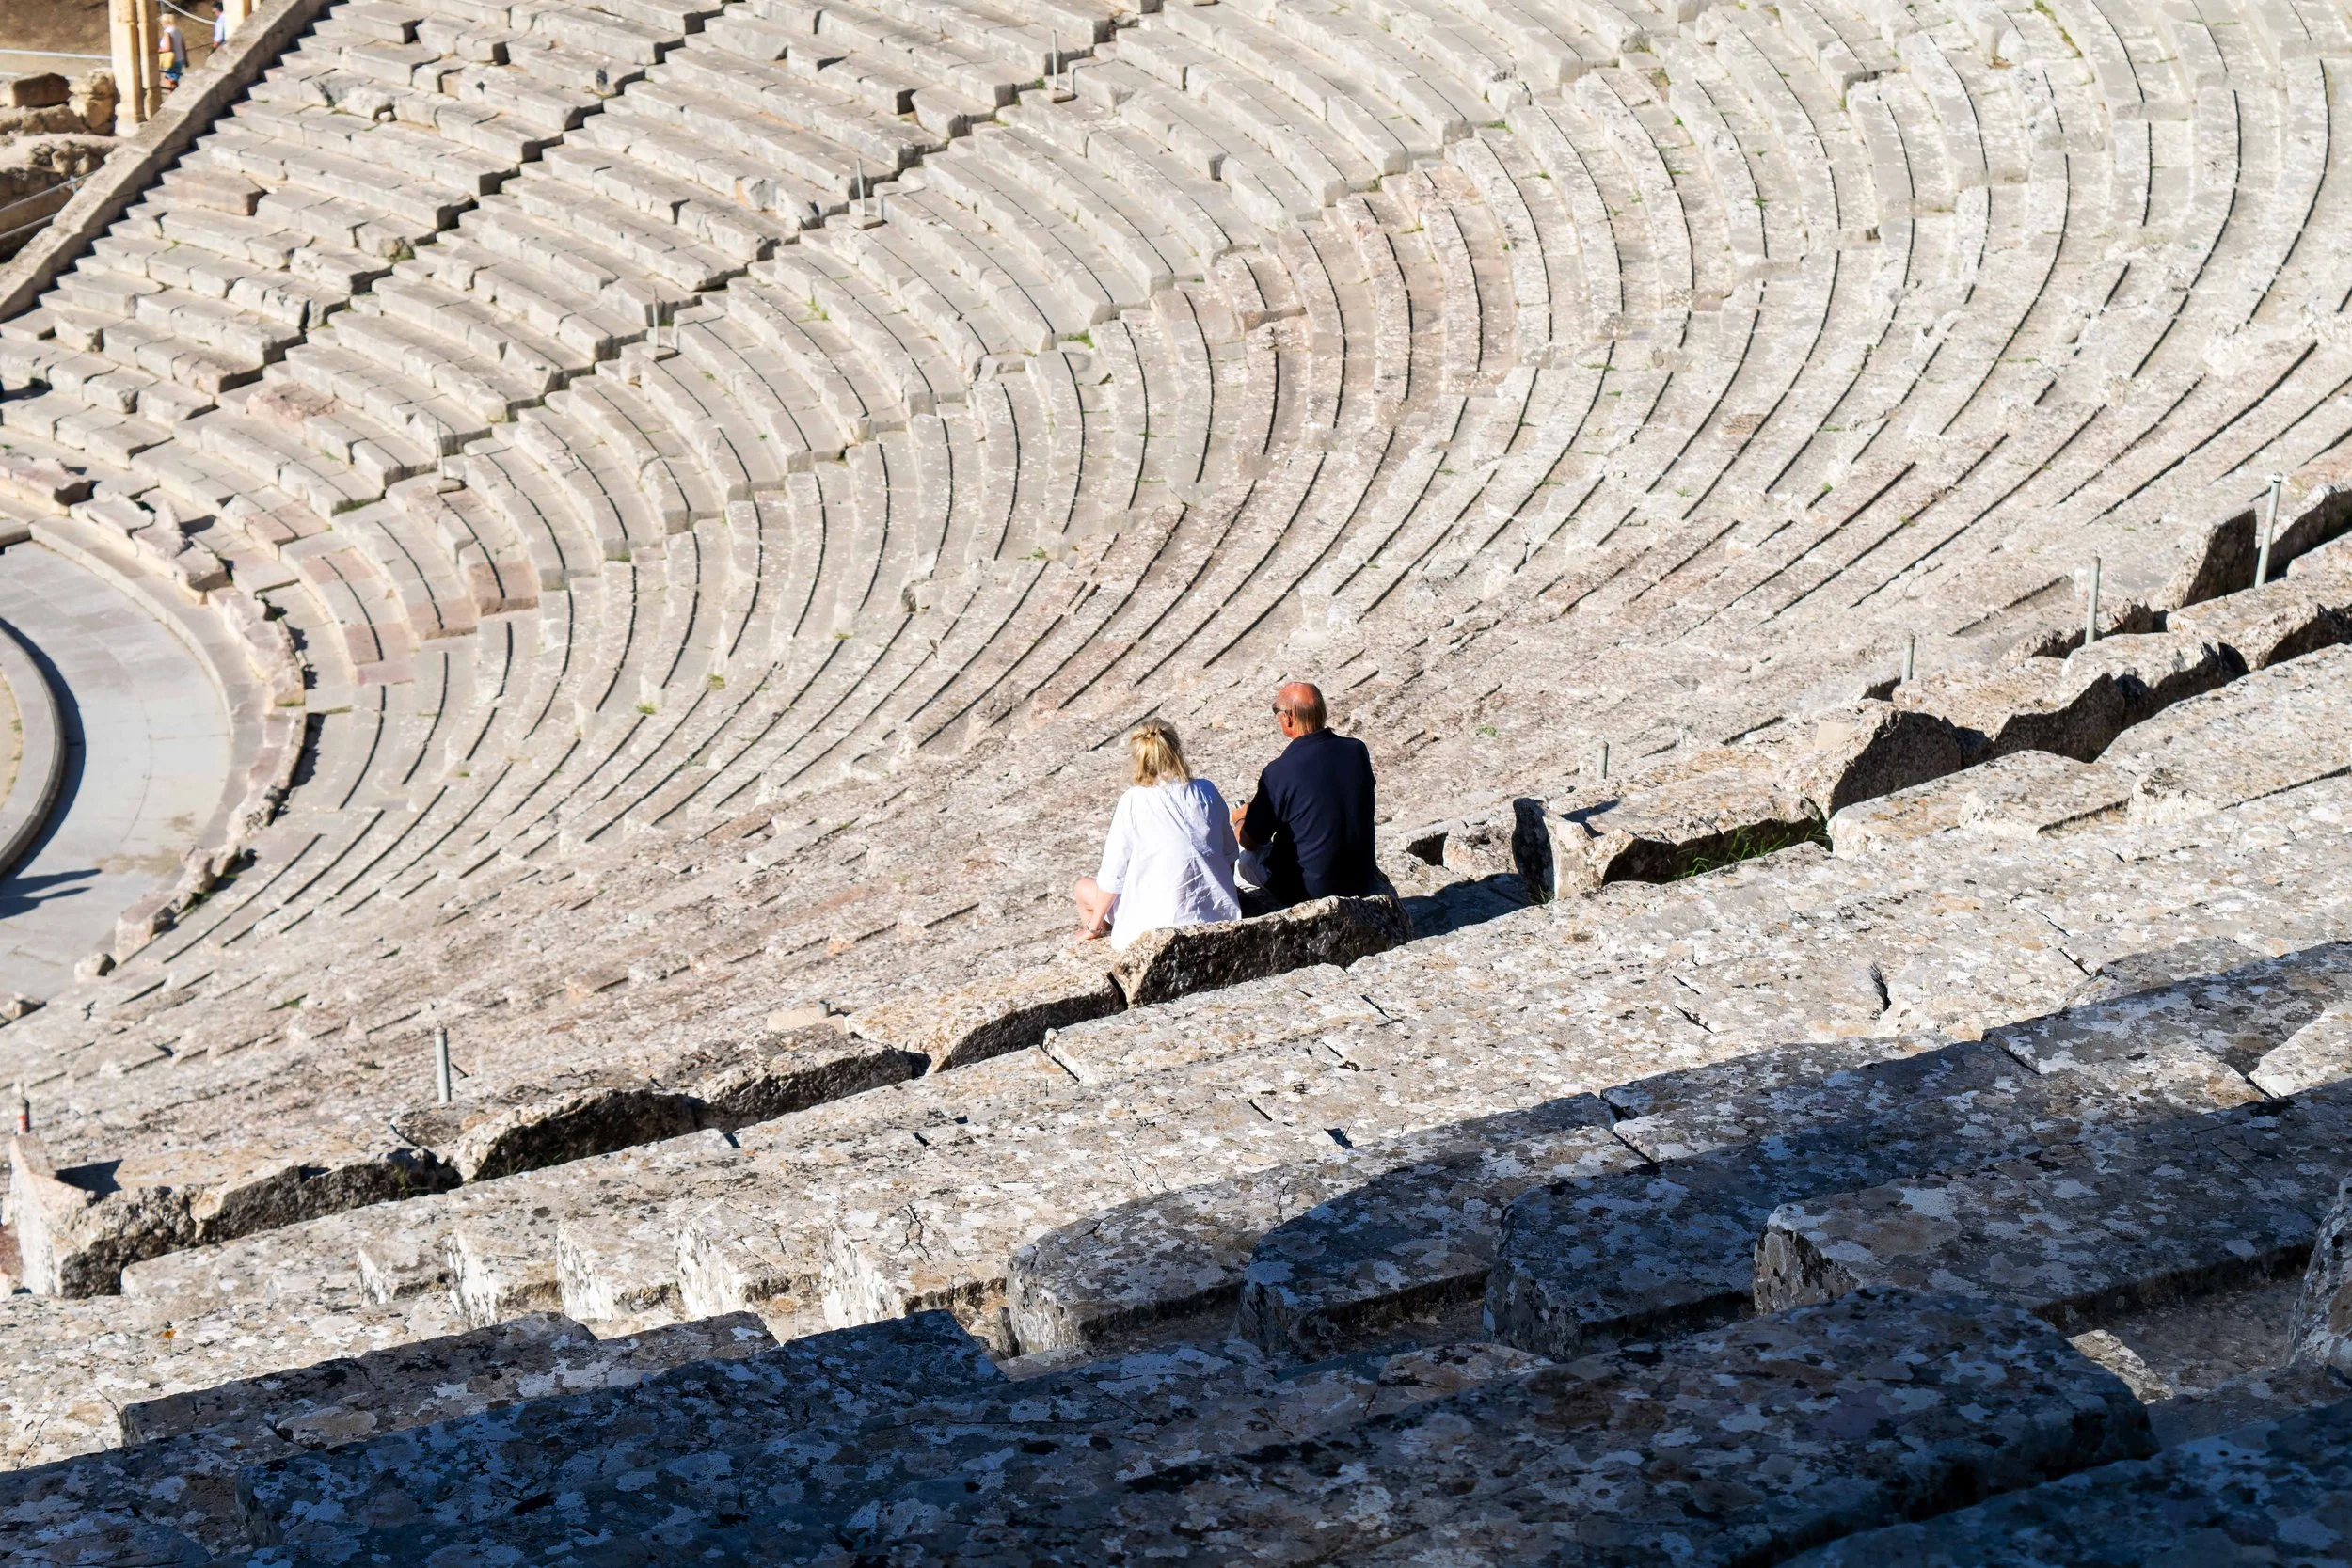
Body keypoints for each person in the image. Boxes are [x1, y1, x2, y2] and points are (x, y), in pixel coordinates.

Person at [1073, 718, 1242, 950]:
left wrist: (1093, 926)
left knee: (1082, 888)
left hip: (1156, 922)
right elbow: (1229, 854)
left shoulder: (1134, 801)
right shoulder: (1206, 790)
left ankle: (1098, 935)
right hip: (1217, 912)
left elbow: (1113, 875)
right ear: (1176, 750)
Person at [1232, 681, 1376, 913]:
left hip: (1310, 889)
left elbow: (1250, 840)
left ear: (1288, 718)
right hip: (1362, 877)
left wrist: (1240, 820)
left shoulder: (1279, 771)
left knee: (1245, 860)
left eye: (1276, 711)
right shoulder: (1356, 750)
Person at [160, 15, 188, 88]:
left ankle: (171, 96)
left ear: (165, 22)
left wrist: (157, 50)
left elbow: (168, 48)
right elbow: (183, 46)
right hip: (180, 59)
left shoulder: (167, 32)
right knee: (174, 80)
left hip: (172, 60)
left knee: (170, 81)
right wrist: (186, 59)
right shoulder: (178, 31)